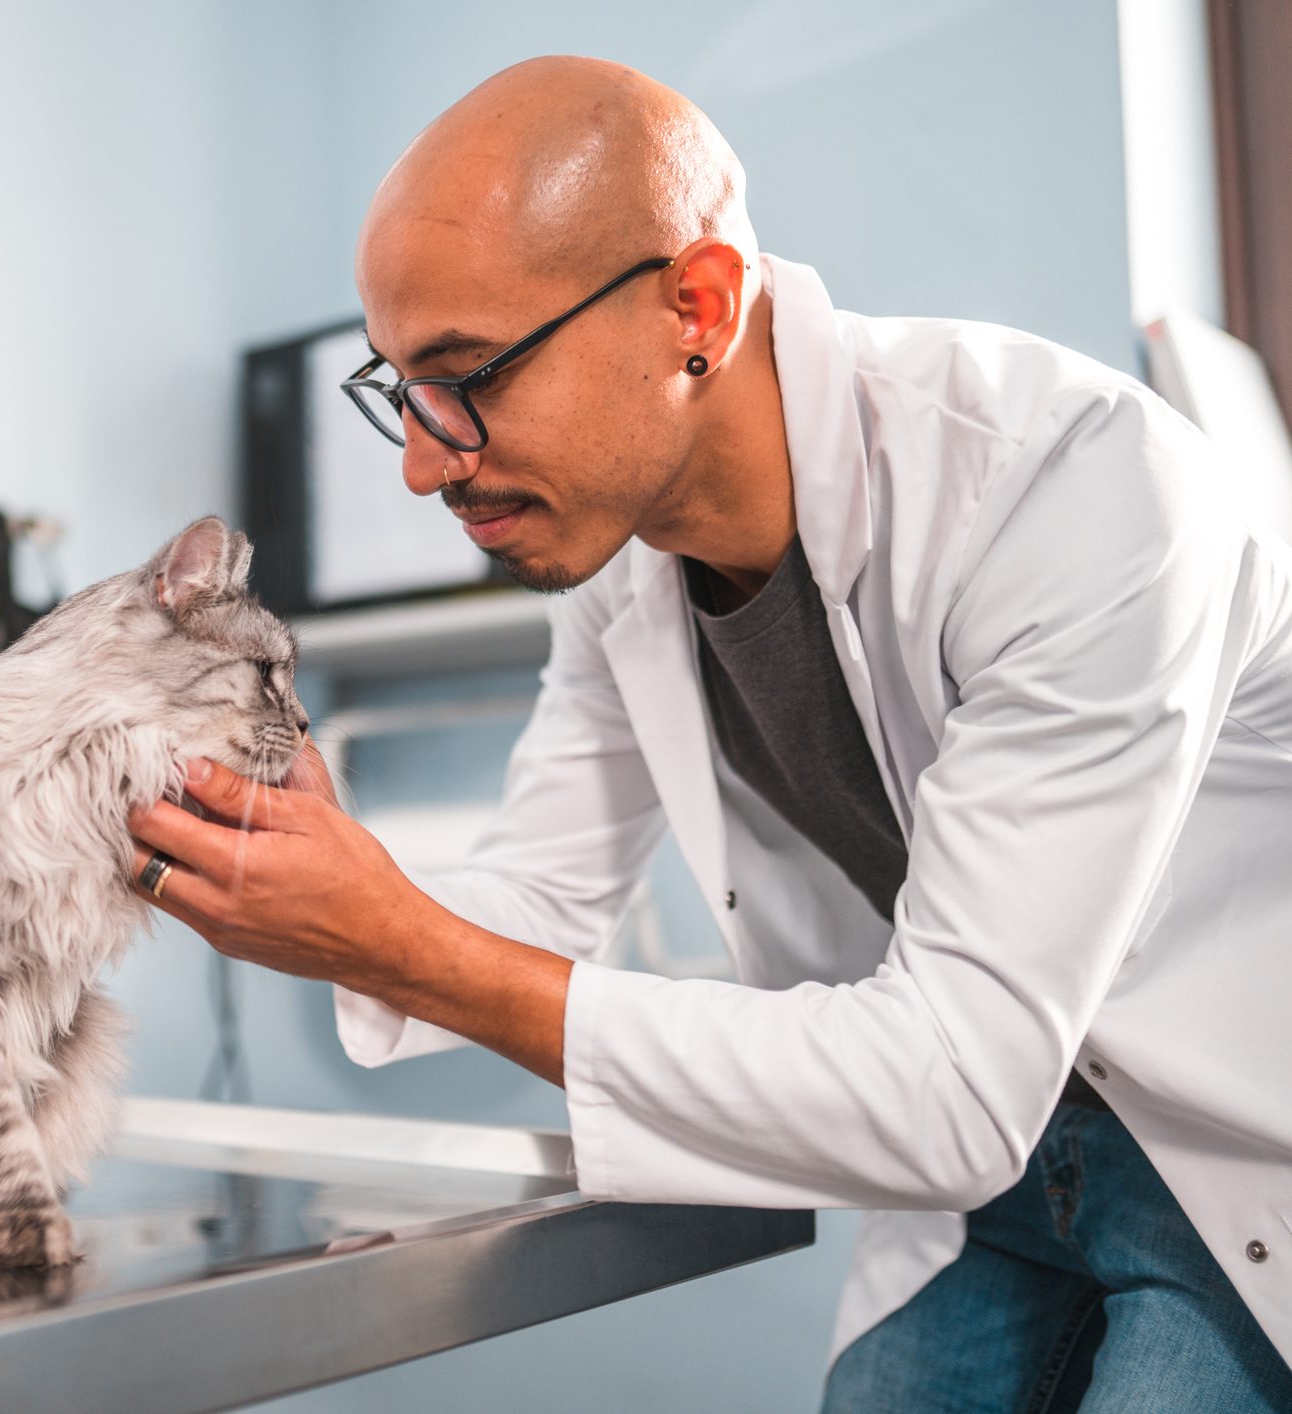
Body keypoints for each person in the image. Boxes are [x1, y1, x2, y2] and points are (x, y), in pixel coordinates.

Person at [131, 56, 1292, 1409]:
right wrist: (304, 865)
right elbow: (541, 893)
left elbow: (951, 1083)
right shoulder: (624, 564)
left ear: (697, 304)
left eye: (465, 376)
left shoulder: (1073, 483)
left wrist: (398, 941)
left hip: (1226, 1152)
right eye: (396, 387)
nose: (420, 457)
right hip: (988, 1184)